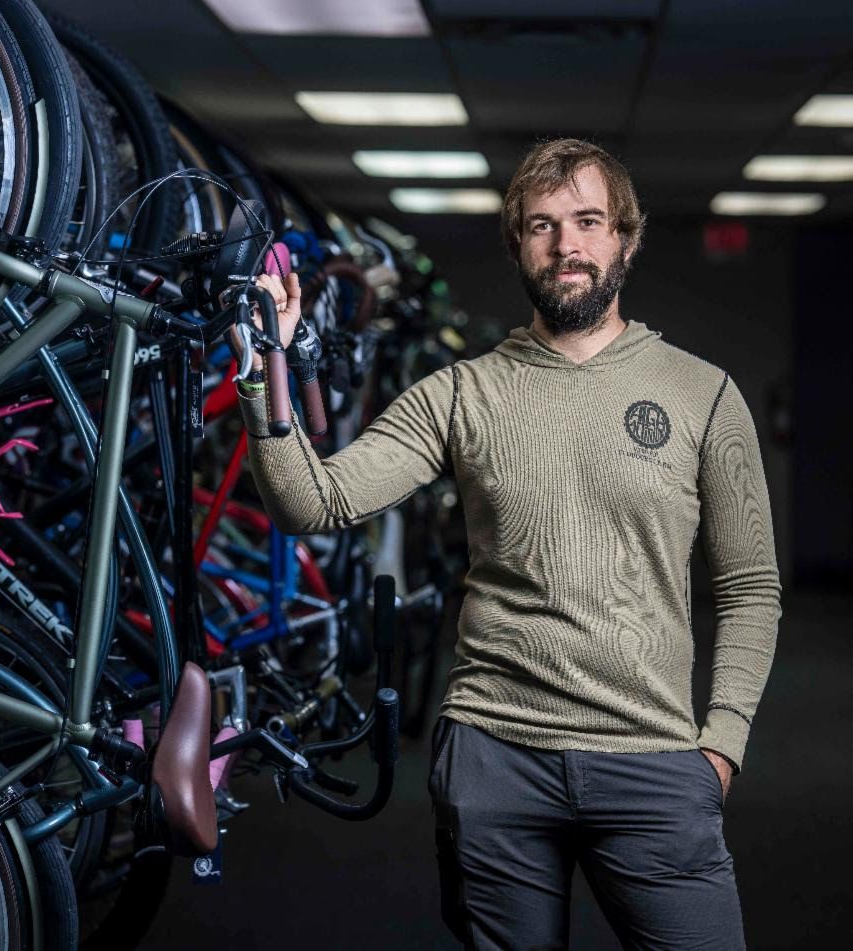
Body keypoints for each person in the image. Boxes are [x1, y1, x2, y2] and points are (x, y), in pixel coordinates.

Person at [229, 138, 780, 949]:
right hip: (496, 758)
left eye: (588, 221)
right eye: (542, 225)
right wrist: (265, 365)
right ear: (518, 243)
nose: (566, 245)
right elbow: (314, 501)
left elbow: (750, 588)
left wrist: (722, 743)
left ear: (625, 238)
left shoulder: (703, 393)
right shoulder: (462, 393)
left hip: (653, 758)